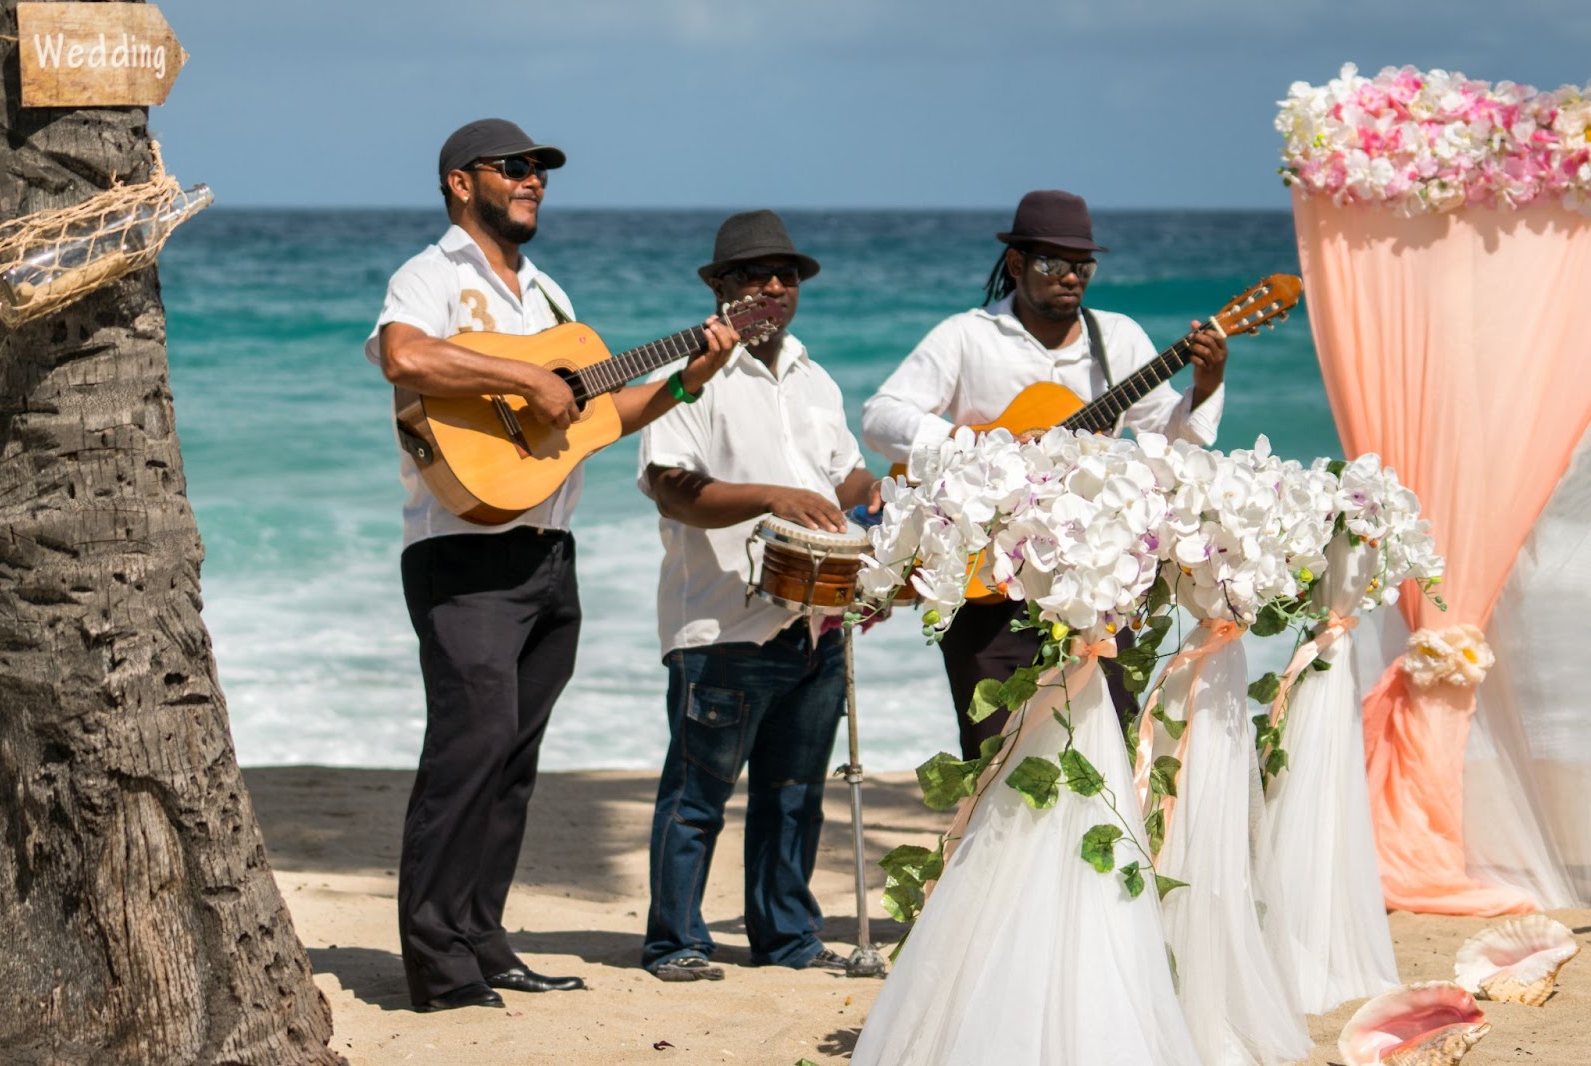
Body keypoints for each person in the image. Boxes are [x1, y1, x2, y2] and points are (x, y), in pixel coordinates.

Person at [364, 118, 738, 1012]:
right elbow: (403, 355)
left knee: (515, 759)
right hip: (462, 553)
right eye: (516, 168)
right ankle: (436, 964)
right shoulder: (433, 273)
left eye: (541, 171)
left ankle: (484, 939)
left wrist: (691, 378)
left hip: (547, 555)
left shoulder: (553, 299)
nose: (534, 180)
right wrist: (523, 378)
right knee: (471, 747)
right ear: (463, 183)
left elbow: (601, 416)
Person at [861, 190, 1228, 761]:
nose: (1070, 277)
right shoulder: (967, 336)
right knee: (995, 764)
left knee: (1105, 755)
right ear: (1015, 264)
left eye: (1082, 266)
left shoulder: (1120, 339)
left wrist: (1204, 388)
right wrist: (977, 441)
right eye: (1053, 263)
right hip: (988, 586)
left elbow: (1172, 441)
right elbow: (880, 418)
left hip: (1094, 585)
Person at [636, 210, 883, 982]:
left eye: (786, 276)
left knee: (793, 796)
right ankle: (675, 940)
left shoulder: (816, 378)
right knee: (698, 796)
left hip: (816, 621)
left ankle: (788, 939)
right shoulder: (690, 374)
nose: (773, 287)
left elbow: (846, 483)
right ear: (719, 289)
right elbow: (672, 490)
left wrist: (894, 496)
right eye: (752, 275)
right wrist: (775, 496)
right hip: (722, 625)